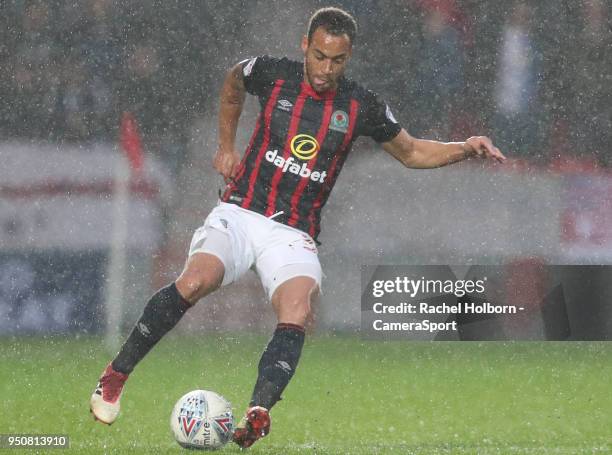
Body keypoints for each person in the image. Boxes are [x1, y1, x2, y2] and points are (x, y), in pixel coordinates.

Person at [90, 6, 505, 449]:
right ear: (305, 45)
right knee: (194, 281)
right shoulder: (272, 75)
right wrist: (225, 147)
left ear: (349, 57)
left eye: (337, 60)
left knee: (298, 310)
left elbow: (412, 152)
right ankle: (115, 376)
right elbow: (233, 81)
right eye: (320, 56)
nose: (326, 69)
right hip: (241, 211)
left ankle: (258, 411)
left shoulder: (360, 105)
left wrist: (465, 148)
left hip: (292, 232)